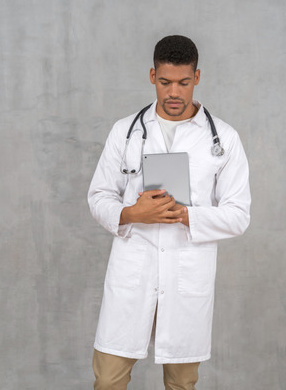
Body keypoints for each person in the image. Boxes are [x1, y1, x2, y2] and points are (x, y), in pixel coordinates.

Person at [87, 35, 251, 390]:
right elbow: (99, 196)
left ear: (197, 77)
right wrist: (133, 213)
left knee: (182, 384)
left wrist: (185, 215)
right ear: (152, 76)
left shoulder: (223, 139)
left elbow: (239, 215)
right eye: (165, 82)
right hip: (133, 275)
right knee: (108, 380)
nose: (173, 92)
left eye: (183, 82)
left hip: (185, 277)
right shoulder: (125, 132)